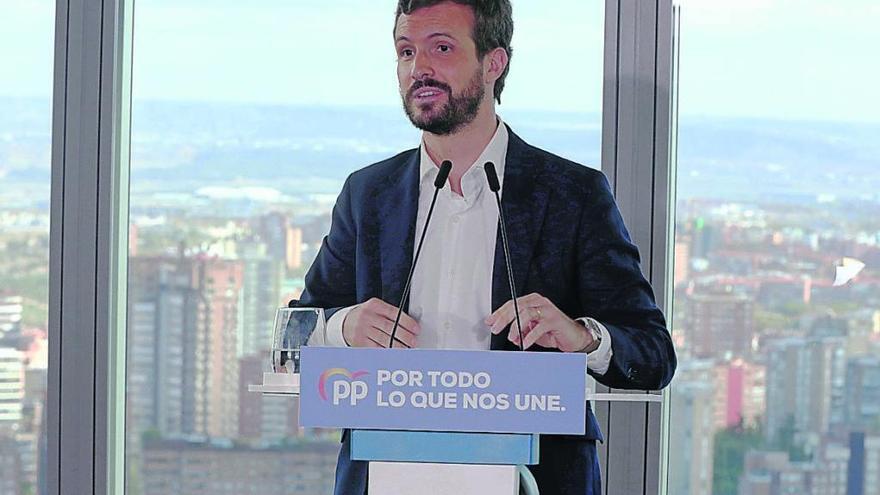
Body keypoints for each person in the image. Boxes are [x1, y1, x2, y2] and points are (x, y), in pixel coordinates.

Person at [297, 1, 677, 493]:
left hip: (535, 477)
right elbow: (296, 333)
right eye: (406, 51)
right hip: (386, 471)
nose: (420, 69)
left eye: (442, 48)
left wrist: (582, 337)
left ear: (493, 64)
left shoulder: (572, 194)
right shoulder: (369, 194)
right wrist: (344, 326)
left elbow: (652, 353)